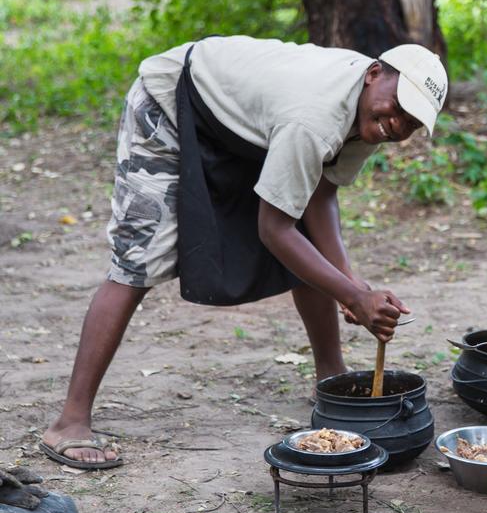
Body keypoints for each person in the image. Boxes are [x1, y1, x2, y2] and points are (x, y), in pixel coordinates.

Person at [41, 36, 448, 469]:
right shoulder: (315, 116)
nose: (398, 125)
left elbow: (320, 194)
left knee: (307, 242)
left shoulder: (371, 112)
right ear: (373, 75)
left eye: (413, 122)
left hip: (241, 125)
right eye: (398, 107)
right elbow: (274, 230)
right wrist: (352, 296)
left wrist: (349, 279)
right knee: (137, 262)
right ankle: (69, 422)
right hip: (171, 101)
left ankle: (332, 377)